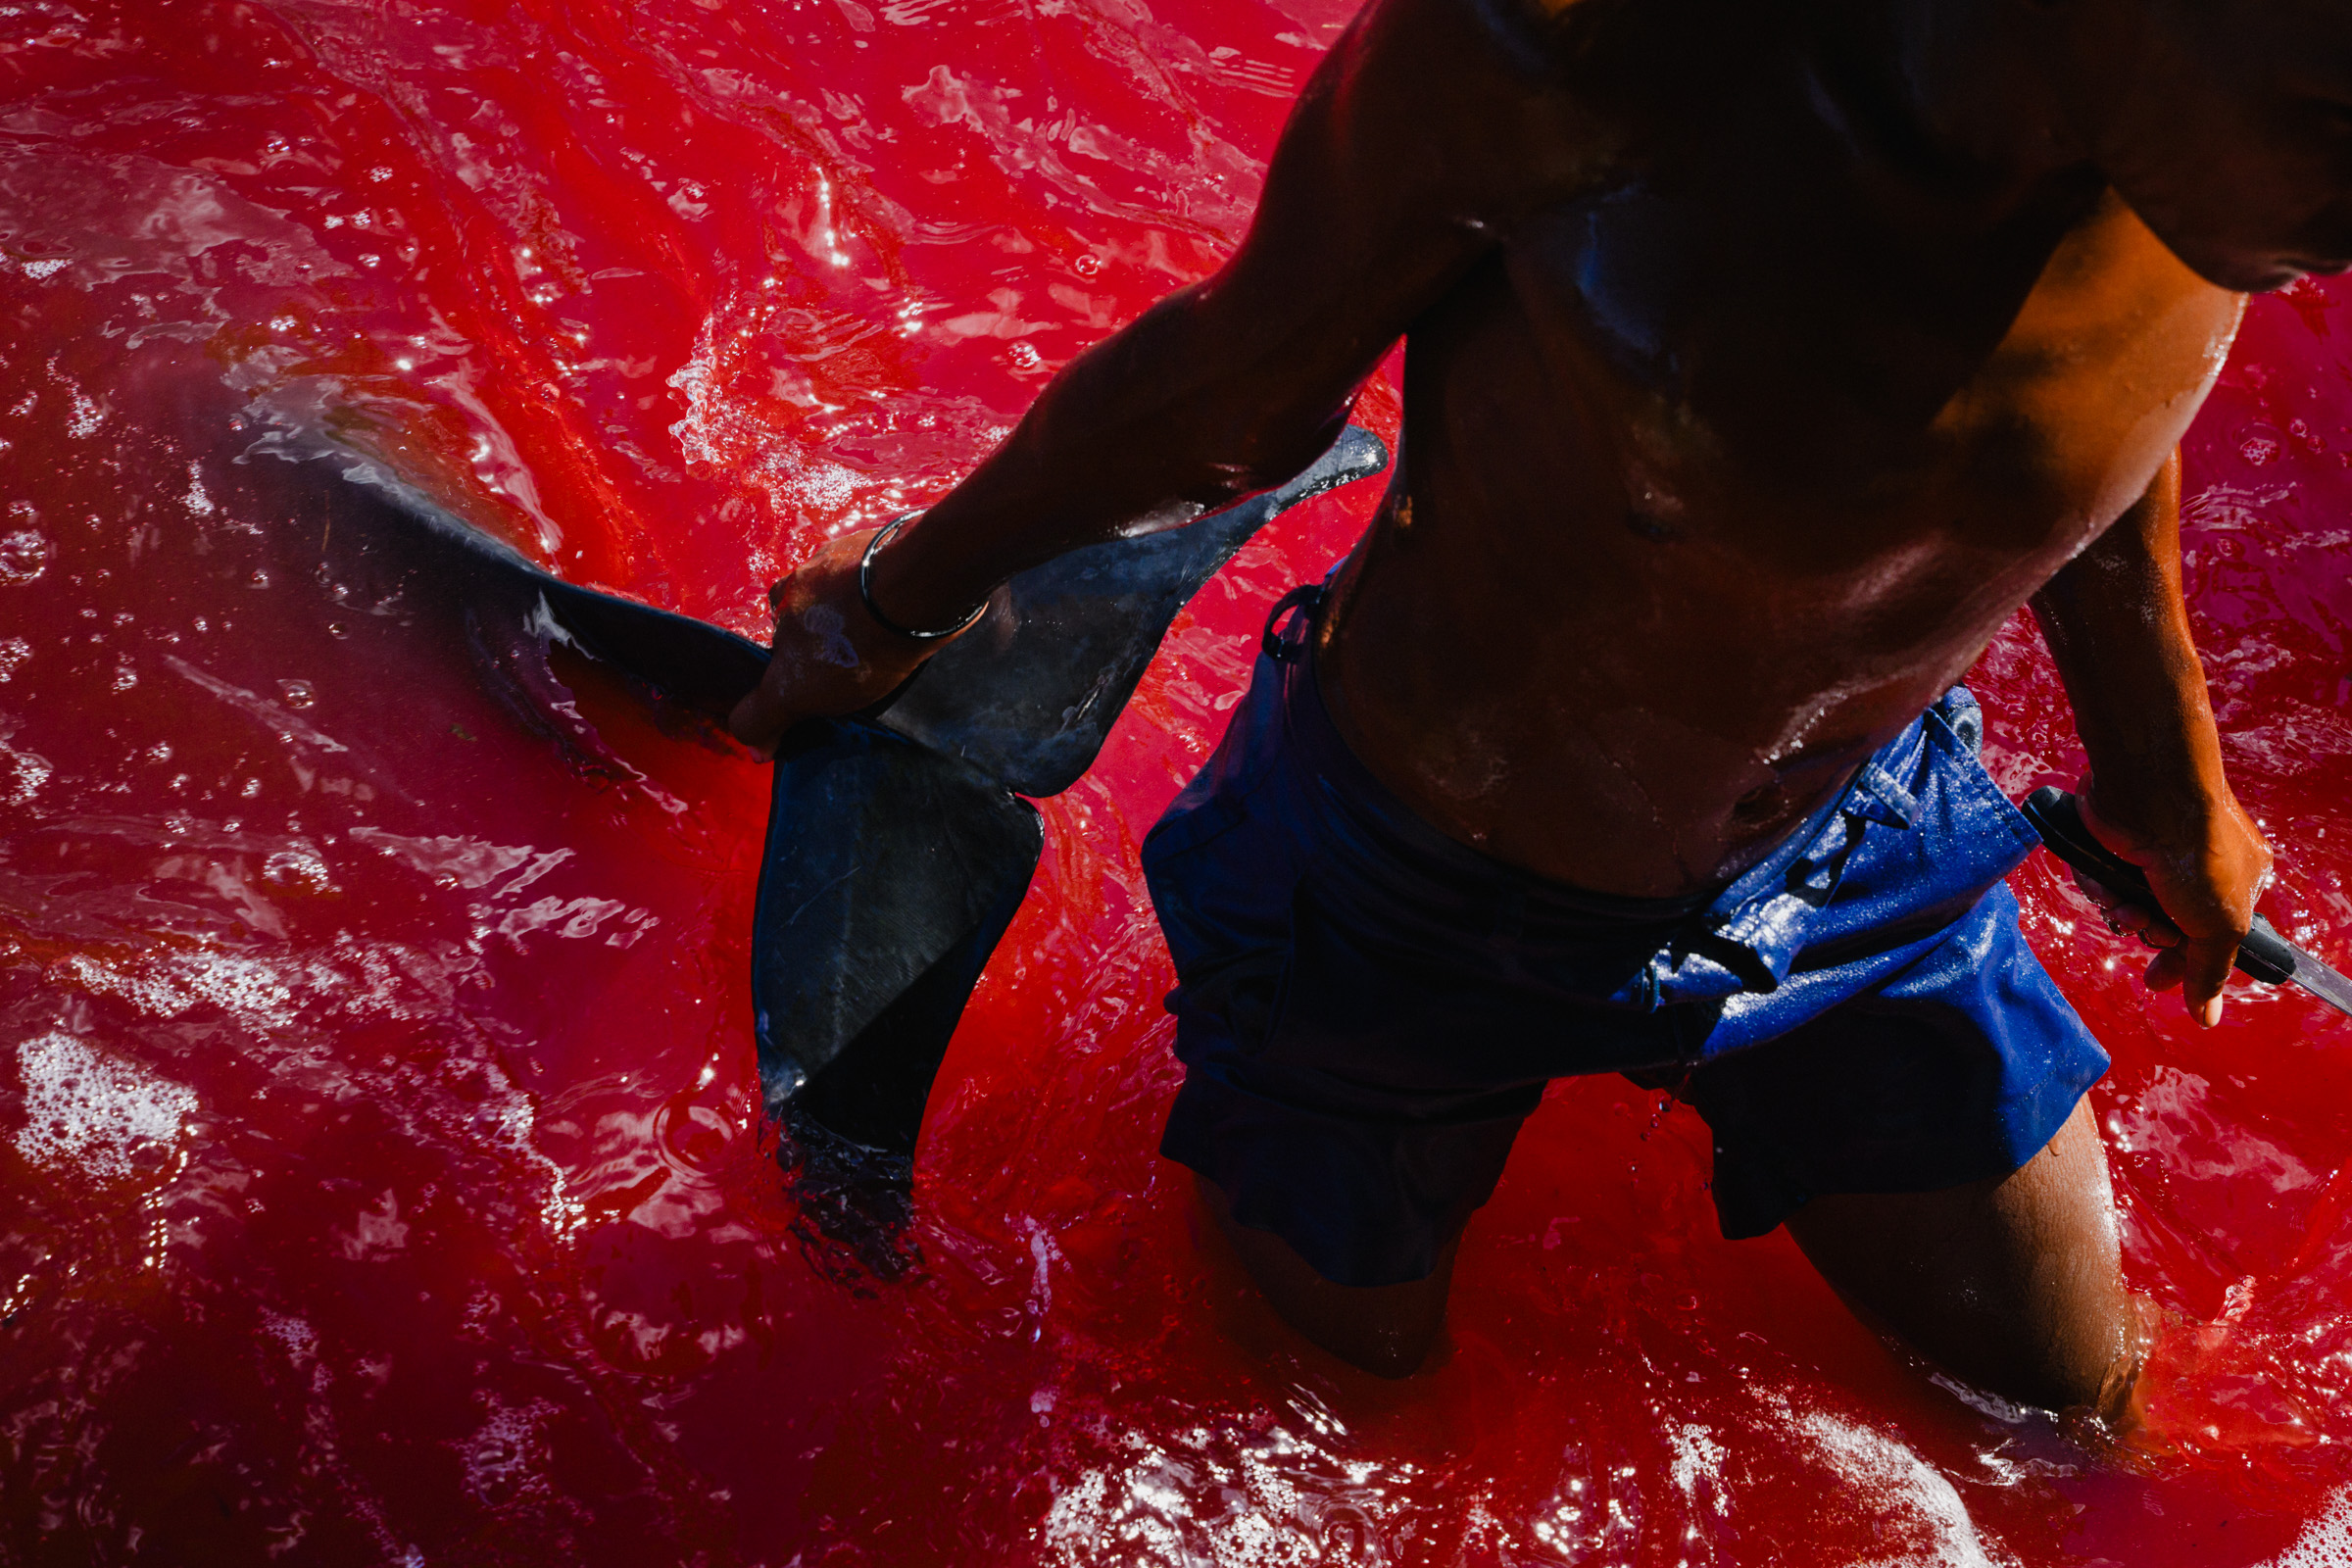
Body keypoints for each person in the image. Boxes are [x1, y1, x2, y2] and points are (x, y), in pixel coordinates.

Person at [725, 0, 2301, 1420]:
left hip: (1854, 850)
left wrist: (2167, 780)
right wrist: (894, 605)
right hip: (1405, 889)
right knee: (1324, 1448)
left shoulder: (2210, 180)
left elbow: (2116, 414)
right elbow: (1228, 391)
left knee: (2078, 1430)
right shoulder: (1565, 52)